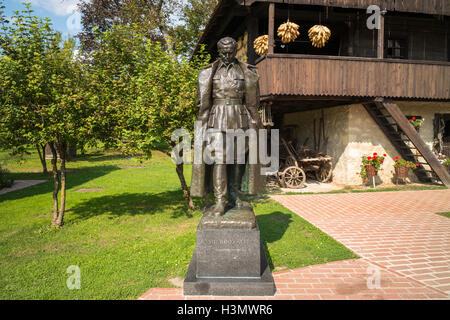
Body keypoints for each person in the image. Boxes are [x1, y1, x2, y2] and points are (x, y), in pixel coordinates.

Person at [191, 37, 264, 216]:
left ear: (235, 50)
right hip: (217, 118)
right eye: (223, 52)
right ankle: (219, 201)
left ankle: (235, 194)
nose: (227, 55)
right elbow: (202, 102)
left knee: (238, 160)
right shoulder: (209, 72)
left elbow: (253, 102)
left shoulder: (246, 70)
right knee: (220, 160)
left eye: (230, 51)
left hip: (240, 118)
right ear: (219, 51)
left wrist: (256, 124)